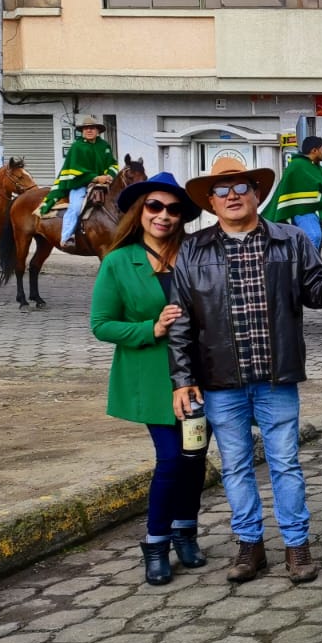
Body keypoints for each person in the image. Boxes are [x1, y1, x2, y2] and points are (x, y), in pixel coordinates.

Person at [168, 155, 322, 585]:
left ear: (255, 194)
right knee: (234, 467)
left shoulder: (289, 240)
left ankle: (296, 545)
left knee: (285, 463)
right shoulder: (193, 250)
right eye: (221, 190)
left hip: (276, 377)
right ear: (211, 202)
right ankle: (249, 546)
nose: (232, 196)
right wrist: (182, 379)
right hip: (219, 381)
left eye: (240, 188)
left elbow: (314, 292)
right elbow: (180, 321)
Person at [90, 172, 209, 586]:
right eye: (155, 206)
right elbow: (101, 324)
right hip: (152, 378)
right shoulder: (119, 261)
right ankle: (155, 543)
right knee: (172, 458)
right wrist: (150, 329)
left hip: (199, 376)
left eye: (174, 209)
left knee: (195, 460)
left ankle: (185, 532)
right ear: (140, 211)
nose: (164, 215)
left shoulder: (195, 253)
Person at [40, 115, 119, 247]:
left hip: (103, 184)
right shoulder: (77, 147)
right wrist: (95, 178)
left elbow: (112, 164)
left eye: (92, 128)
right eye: (86, 128)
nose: (89, 131)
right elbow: (74, 170)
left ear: (98, 131)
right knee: (76, 207)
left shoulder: (104, 146)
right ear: (82, 131)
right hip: (80, 184)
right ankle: (67, 237)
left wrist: (109, 175)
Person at [262, 137, 322, 251]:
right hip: (302, 210)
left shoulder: (316, 166)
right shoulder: (298, 165)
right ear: (314, 150)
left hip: (314, 209)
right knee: (314, 236)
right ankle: (309, 266)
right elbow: (301, 195)